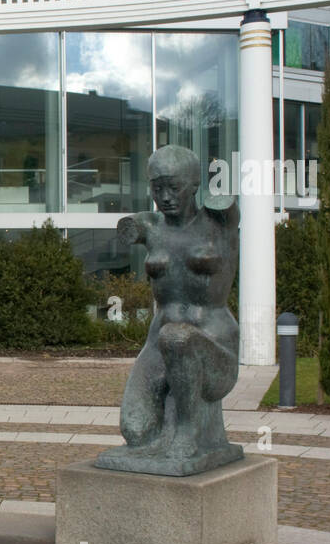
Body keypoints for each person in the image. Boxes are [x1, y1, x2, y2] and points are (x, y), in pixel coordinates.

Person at [96, 145, 242, 476]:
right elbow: (131, 225)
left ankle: (189, 433)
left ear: (194, 185)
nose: (165, 196)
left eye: (173, 187)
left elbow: (230, 208)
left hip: (213, 347)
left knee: (178, 338)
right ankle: (168, 437)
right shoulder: (152, 227)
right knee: (136, 430)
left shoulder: (219, 223)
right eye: (157, 188)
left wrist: (226, 203)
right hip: (159, 347)